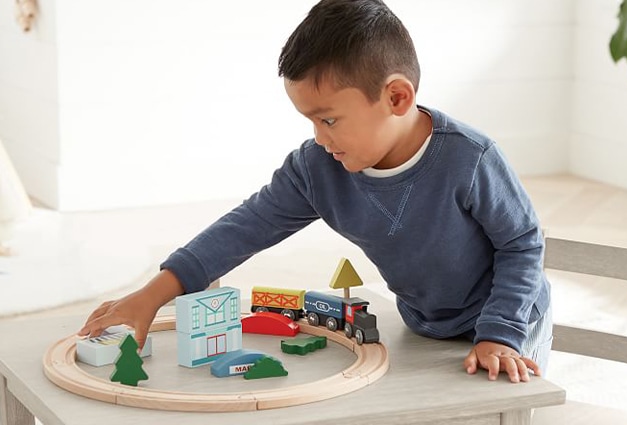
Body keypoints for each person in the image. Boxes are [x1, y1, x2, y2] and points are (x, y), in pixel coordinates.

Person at [79, 0, 551, 384]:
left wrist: (501, 335)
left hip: (510, 321)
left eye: (329, 119)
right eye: (310, 121)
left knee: (491, 405)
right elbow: (244, 228)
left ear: (396, 98)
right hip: (423, 320)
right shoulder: (317, 168)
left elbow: (522, 243)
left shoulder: (470, 159)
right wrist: (153, 294)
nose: (320, 139)